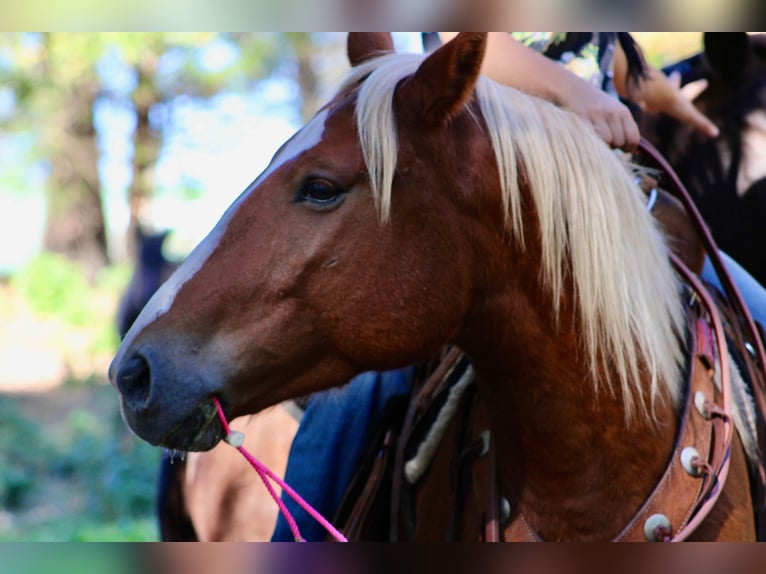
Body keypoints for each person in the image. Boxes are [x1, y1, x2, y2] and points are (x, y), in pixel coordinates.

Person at [272, 32, 766, 541]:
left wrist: (668, 96)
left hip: (620, 212)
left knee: (758, 315)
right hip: (502, 219)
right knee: (357, 397)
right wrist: (576, 94)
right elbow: (464, 39)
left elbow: (604, 57)